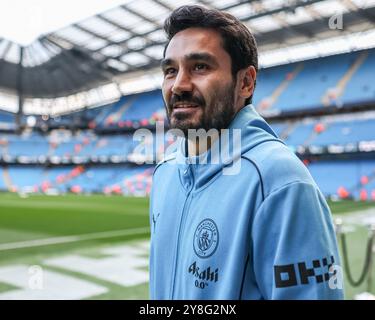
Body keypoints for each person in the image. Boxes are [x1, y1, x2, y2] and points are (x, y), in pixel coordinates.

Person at [149, 5, 344, 300]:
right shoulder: (165, 171)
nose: (179, 85)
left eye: (200, 66)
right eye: (170, 70)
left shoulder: (281, 181)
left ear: (246, 82)